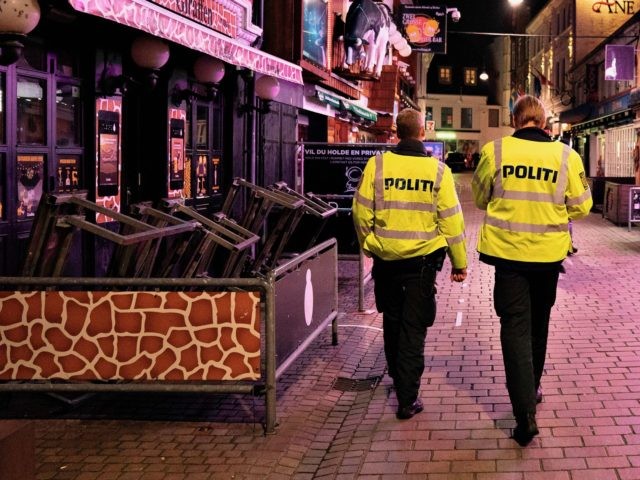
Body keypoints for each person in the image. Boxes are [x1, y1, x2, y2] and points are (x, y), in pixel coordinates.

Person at [471, 95, 593, 446]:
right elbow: (583, 206)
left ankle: (524, 413)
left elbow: (480, 198)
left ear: (514, 119)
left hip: (508, 258)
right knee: (538, 326)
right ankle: (534, 387)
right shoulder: (566, 156)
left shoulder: (495, 152)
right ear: (542, 122)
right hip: (547, 259)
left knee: (514, 330)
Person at [352, 108, 468, 420]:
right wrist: (460, 263)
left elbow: (361, 214)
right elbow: (453, 223)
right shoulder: (438, 172)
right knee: (413, 329)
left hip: (386, 262)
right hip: (421, 266)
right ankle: (407, 397)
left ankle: (398, 375)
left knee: (392, 320)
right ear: (422, 133)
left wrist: (372, 246)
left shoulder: (377, 165)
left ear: (396, 134)